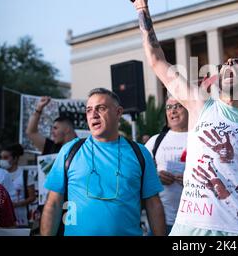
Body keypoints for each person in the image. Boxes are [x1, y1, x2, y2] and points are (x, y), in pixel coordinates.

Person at [128, 0, 238, 236]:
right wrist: (142, 8)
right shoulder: (199, 104)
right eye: (225, 64)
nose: (228, 64)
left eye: (237, 62)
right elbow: (156, 60)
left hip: (237, 229)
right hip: (189, 228)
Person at [40, 88, 166, 236]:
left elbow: (153, 204)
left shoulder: (140, 153)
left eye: (101, 108)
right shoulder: (70, 151)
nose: (93, 114)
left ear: (118, 112)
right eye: (89, 110)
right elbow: (53, 203)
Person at [145, 94, 188, 234]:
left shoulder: (201, 138)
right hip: (162, 223)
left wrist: (194, 180)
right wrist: (155, 178)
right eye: (169, 107)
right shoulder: (154, 141)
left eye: (178, 106)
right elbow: (141, 175)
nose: (172, 111)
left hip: (194, 223)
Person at [0, 144, 36, 227]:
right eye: (1, 158)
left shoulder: (25, 175)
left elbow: (32, 197)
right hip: (3, 220)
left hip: (22, 219)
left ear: (15, 158)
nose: (2, 160)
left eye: (5, 157)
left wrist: (17, 204)